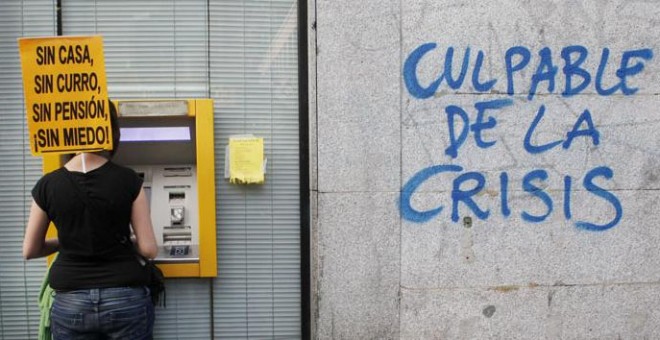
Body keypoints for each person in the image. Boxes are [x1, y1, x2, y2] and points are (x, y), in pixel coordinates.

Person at [23, 100, 158, 339]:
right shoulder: (128, 180)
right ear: (111, 132)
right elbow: (149, 250)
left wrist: (65, 241)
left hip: (71, 300)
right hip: (125, 297)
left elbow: (30, 250)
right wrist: (127, 240)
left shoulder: (47, 185)